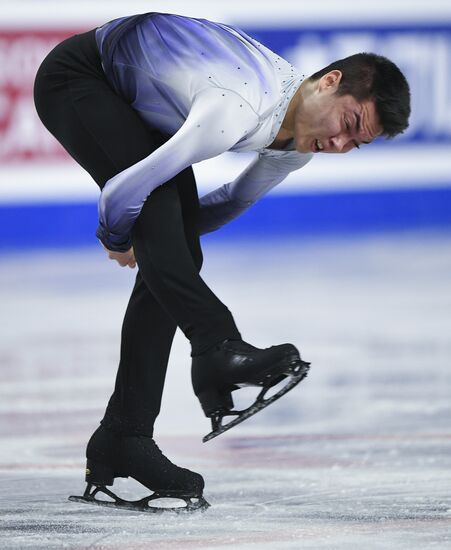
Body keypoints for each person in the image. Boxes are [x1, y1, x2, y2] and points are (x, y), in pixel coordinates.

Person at [33, 12, 410, 512]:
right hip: (79, 76)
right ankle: (215, 348)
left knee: (179, 246)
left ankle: (123, 435)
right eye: (348, 124)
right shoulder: (234, 109)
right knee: (163, 218)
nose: (339, 145)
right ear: (330, 82)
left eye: (354, 144)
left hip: (128, 96)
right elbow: (124, 192)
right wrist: (120, 233)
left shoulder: (296, 145)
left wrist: (156, 240)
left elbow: (228, 202)